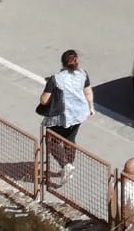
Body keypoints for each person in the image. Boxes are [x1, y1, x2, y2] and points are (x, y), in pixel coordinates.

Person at [37, 49, 93, 187]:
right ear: (77, 62)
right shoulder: (83, 74)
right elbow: (88, 92)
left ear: (62, 63)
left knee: (51, 141)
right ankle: (70, 166)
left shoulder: (55, 79)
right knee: (70, 139)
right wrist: (91, 107)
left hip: (61, 116)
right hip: (79, 114)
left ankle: (66, 165)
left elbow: (44, 100)